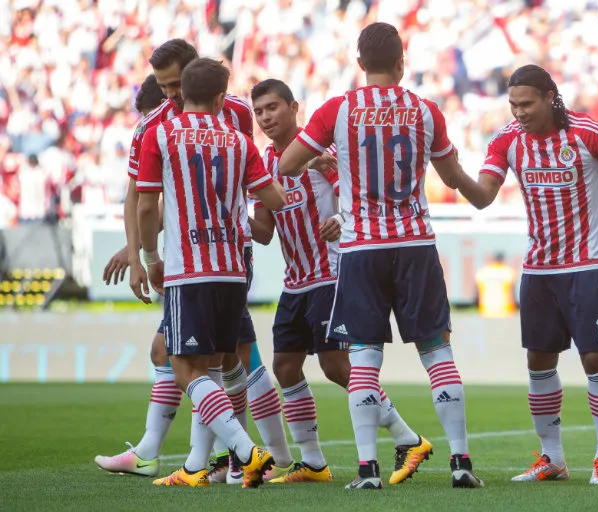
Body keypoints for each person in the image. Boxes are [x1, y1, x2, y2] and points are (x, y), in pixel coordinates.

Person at [278, 22, 483, 490]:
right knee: (437, 351)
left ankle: (368, 469)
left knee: (365, 357)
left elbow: (286, 165)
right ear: (400, 62)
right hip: (414, 243)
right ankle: (461, 461)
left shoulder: (338, 109)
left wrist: (320, 159)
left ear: (359, 64)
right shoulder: (425, 111)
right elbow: (452, 177)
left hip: (362, 247)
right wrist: (479, 192)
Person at [95, 40, 295, 485]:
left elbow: (147, 203)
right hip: (222, 259)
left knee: (211, 360)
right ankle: (202, 462)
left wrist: (148, 254)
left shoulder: (202, 123)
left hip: (197, 263)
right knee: (207, 357)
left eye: (173, 85)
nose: (169, 95)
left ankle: (245, 454)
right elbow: (141, 199)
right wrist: (139, 250)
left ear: (191, 74)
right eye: (163, 87)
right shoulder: (173, 126)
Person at [454, 64, 598, 485]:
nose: (519, 112)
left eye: (526, 103)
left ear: (550, 96)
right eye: (513, 104)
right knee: (538, 362)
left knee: (594, 358)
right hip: (539, 269)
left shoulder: (588, 133)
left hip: (586, 265)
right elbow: (482, 198)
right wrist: (451, 169)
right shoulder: (507, 141)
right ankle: (552, 458)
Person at [249, 79, 433, 485]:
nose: (265, 117)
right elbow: (263, 231)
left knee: (336, 367)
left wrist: (342, 220)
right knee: (285, 366)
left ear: (295, 107)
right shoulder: (262, 163)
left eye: (272, 107)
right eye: (258, 111)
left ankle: (406, 437)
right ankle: (313, 462)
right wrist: (226, 213)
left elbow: (358, 198)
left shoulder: (325, 155)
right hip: (296, 280)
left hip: (332, 274)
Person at [475, 252, 517, 318]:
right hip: (505, 311)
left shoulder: (483, 271)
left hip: (485, 310)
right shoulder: (508, 271)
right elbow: (511, 293)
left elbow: (477, 293)